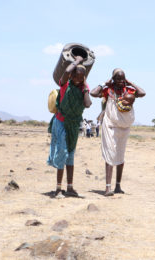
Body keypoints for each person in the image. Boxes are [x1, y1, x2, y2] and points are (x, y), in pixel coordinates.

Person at [90, 68, 146, 196]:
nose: (121, 81)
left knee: (120, 157)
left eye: (123, 78)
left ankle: (118, 186)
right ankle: (107, 188)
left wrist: (130, 82)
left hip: (124, 127)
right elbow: (93, 93)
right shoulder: (108, 91)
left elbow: (142, 93)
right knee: (110, 155)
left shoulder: (129, 90)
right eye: (118, 79)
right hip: (110, 126)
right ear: (113, 79)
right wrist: (105, 83)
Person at [47, 58, 91, 198]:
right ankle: (58, 189)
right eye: (75, 76)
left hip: (73, 125)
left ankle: (70, 188)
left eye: (81, 77)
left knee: (70, 156)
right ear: (71, 75)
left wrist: (84, 90)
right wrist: (77, 60)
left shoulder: (84, 87)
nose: (77, 79)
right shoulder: (65, 83)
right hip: (61, 122)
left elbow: (88, 104)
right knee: (62, 153)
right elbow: (66, 71)